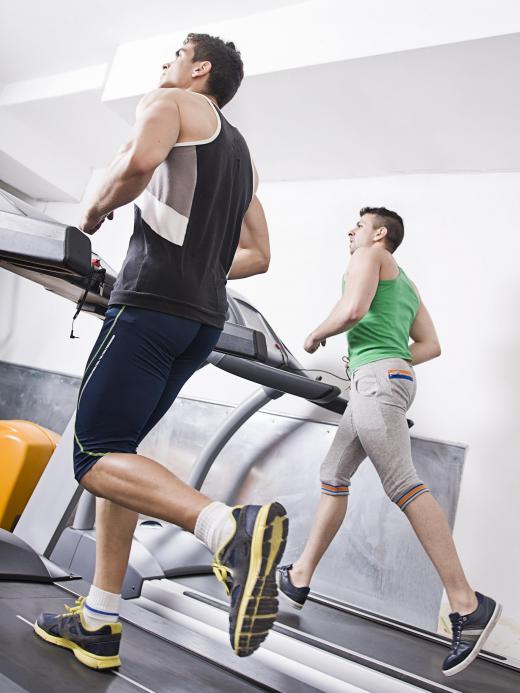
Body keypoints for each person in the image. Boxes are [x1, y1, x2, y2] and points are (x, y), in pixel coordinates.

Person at [34, 33, 288, 669]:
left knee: (92, 457)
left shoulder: (170, 102)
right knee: (121, 455)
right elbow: (258, 255)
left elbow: (138, 165)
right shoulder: (241, 152)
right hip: (199, 321)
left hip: (149, 306)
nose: (164, 65)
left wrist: (92, 211)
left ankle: (227, 530)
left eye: (176, 54)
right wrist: (198, 265)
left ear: (199, 69)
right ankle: (100, 617)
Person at [276, 207, 501, 677]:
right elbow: (429, 345)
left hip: (376, 381)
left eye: (358, 226)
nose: (350, 231)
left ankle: (468, 604)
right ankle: (299, 579)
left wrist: (318, 334)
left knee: (402, 484)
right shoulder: (408, 284)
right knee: (333, 474)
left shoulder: (370, 255)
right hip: (383, 379)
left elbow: (354, 309)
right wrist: (389, 362)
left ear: (380, 234)